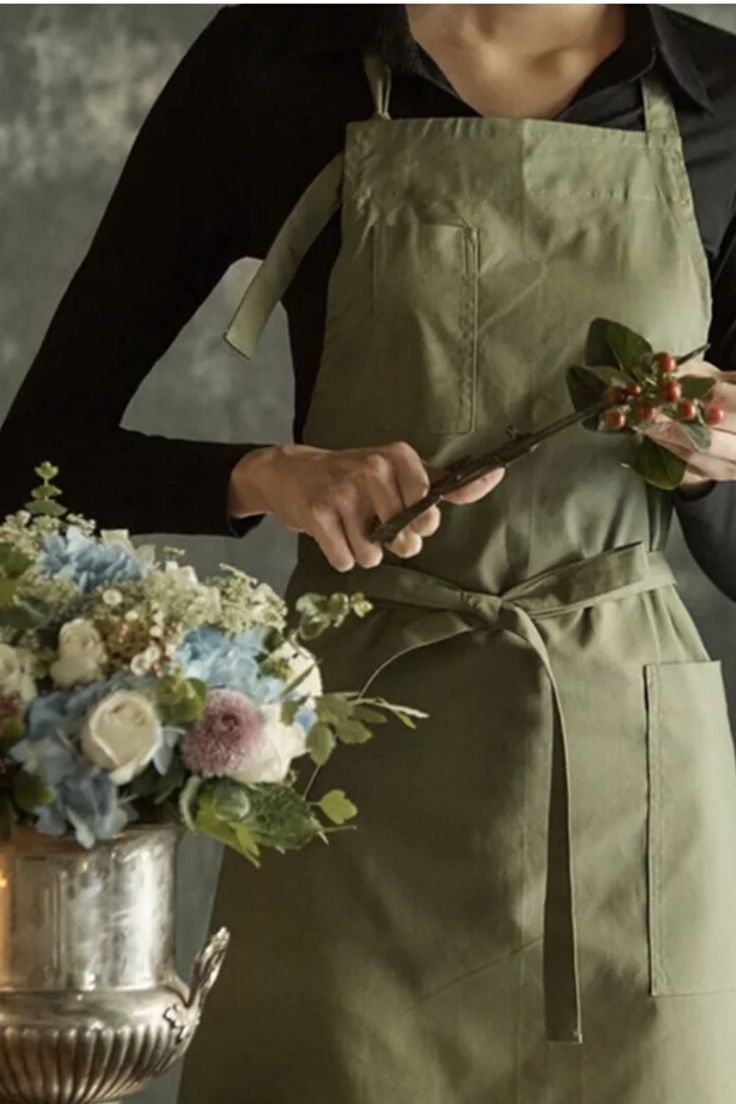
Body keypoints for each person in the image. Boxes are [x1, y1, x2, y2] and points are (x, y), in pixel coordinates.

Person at [4, 5, 736, 1102]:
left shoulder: (720, 98)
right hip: (349, 768)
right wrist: (266, 473)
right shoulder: (276, 65)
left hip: (622, 779)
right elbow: (37, 453)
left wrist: (708, 461)